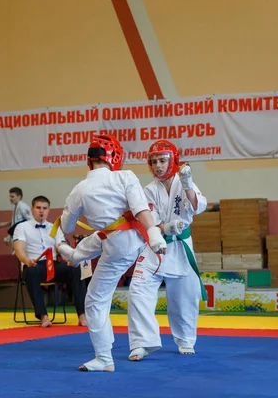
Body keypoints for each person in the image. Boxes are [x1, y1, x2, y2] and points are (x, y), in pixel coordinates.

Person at [54, 134, 167, 372]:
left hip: (118, 246)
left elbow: (67, 228)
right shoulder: (125, 176)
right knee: (99, 237)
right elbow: (140, 209)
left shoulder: (80, 189)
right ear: (114, 157)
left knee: (94, 301)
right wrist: (153, 233)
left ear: (89, 160)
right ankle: (74, 256)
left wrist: (69, 216)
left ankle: (104, 358)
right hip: (128, 237)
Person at [127, 140, 207, 361]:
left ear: (173, 160)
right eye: (154, 162)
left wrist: (188, 183)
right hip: (155, 245)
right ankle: (141, 343)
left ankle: (186, 340)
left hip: (181, 247)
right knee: (138, 290)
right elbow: (147, 219)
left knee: (185, 297)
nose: (158, 166)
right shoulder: (148, 190)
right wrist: (164, 227)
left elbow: (199, 207)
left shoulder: (184, 182)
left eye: (163, 160)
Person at [13, 195, 87, 327]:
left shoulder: (55, 227)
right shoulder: (22, 227)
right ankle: (43, 316)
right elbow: (19, 249)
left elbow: (61, 247)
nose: (41, 211)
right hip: (33, 264)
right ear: (32, 209)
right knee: (31, 271)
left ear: (48, 210)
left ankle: (82, 315)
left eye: (44, 208)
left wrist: (72, 258)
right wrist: (26, 260)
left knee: (76, 270)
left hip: (52, 265)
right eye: (38, 208)